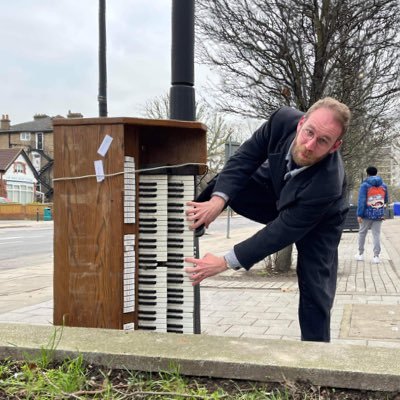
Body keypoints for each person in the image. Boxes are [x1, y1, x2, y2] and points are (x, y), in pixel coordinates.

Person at [185, 97, 351, 342]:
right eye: (309, 133)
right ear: (301, 123)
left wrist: (223, 262)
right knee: (230, 181)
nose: (309, 145)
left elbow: (281, 232)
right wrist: (218, 201)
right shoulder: (281, 121)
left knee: (316, 289)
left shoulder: (327, 185)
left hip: (320, 221)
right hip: (275, 187)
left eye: (322, 141)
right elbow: (244, 159)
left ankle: (316, 361)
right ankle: (197, 217)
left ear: (334, 146)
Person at [355, 166, 388, 264]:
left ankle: (360, 254)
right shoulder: (384, 185)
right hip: (378, 214)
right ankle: (376, 256)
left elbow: (361, 201)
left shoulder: (364, 185)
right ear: (376, 173)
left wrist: (359, 214)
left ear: (367, 173)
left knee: (362, 233)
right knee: (376, 235)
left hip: (366, 214)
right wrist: (383, 212)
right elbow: (385, 200)